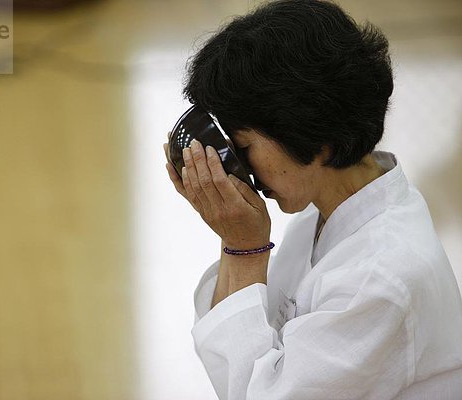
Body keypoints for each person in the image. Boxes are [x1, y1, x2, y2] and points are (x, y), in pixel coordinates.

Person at [162, 0, 462, 399]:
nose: (240, 167)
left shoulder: (380, 280)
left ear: (314, 137)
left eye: (243, 146)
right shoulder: (325, 213)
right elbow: (252, 346)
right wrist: (235, 238)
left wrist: (244, 248)